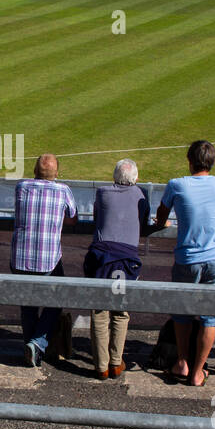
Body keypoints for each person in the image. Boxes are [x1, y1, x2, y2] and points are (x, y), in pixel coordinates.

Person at [153, 140, 215, 387]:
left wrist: (163, 224)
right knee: (210, 318)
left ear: (190, 161)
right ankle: (198, 371)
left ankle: (182, 362)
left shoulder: (177, 184)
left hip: (188, 259)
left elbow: (161, 215)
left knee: (182, 314)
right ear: (211, 162)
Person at [11, 154, 77, 366]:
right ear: (56, 174)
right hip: (47, 260)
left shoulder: (21, 186)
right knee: (57, 299)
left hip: (20, 258)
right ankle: (37, 344)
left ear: (34, 171)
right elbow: (73, 218)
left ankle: (31, 349)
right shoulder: (63, 190)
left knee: (28, 305)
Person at [85, 159, 148, 380]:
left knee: (100, 312)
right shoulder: (141, 194)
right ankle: (114, 362)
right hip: (126, 260)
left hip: (102, 257)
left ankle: (101, 366)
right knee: (120, 311)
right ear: (135, 178)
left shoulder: (103, 192)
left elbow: (97, 218)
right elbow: (143, 221)